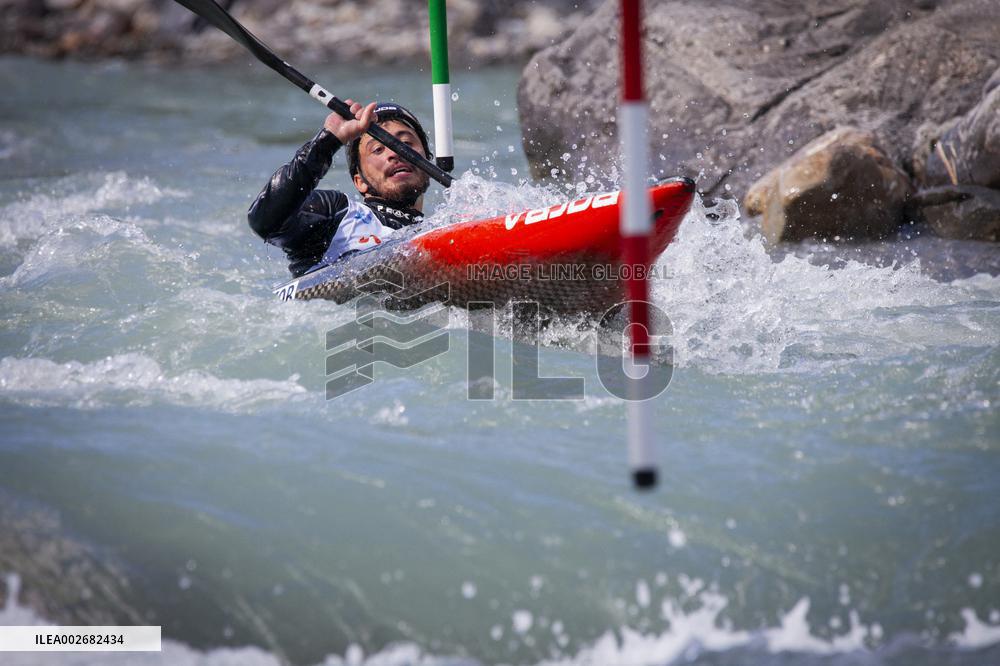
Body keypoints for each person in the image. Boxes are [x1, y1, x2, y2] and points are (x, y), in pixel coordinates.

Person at [248, 100, 433, 276]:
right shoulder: (336, 215)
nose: (394, 153)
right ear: (359, 181)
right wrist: (329, 140)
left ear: (428, 163)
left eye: (406, 143)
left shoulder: (440, 226)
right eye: (378, 149)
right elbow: (265, 220)